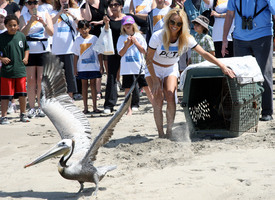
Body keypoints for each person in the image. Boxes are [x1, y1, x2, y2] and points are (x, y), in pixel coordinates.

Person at [146, 8, 235, 138]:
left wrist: (222, 65)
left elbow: (204, 53)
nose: (174, 26)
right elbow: (148, 59)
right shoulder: (158, 36)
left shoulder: (186, 37)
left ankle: (169, 130)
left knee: (171, 97)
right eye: (172, 22)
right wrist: (155, 81)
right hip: (153, 67)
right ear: (167, 21)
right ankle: (160, 133)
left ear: (183, 25)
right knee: (158, 99)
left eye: (179, 24)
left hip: (170, 67)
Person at [222, 0, 275, 121]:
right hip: (239, 39)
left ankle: (267, 111)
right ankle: (247, 112)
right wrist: (224, 39)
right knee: (242, 76)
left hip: (263, 36)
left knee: (264, 74)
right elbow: (229, 15)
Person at [19, 0, 53, 118]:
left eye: (34, 2)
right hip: (30, 51)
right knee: (31, 80)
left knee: (41, 80)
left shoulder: (45, 14)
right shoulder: (23, 17)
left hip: (43, 50)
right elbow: (22, 34)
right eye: (30, 3)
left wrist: (43, 23)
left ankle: (41, 107)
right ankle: (32, 107)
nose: (32, 5)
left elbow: (51, 32)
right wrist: (30, 23)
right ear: (26, 5)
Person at [117, 15, 151, 115]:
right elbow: (121, 53)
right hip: (127, 68)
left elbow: (144, 51)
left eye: (129, 24)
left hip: (139, 67)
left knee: (146, 86)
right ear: (123, 26)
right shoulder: (121, 38)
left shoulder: (139, 36)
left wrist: (135, 42)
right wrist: (127, 44)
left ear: (133, 25)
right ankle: (128, 109)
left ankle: (154, 104)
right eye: (125, 24)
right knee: (127, 89)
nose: (127, 26)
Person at [0, 14, 30, 124]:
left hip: (20, 69)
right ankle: (3, 116)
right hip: (6, 71)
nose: (13, 27)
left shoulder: (21, 36)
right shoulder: (2, 37)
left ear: (18, 25)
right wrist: (2, 58)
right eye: (10, 25)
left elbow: (26, 48)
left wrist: (26, 57)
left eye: (15, 25)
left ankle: (23, 114)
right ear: (6, 26)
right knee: (5, 96)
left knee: (22, 94)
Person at [51, 0, 81, 99]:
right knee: (59, 76)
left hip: (70, 48)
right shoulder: (53, 12)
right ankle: (60, 97)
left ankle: (70, 96)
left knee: (70, 75)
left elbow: (81, 24)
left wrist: (71, 14)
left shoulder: (75, 10)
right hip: (57, 49)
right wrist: (60, 12)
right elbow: (51, 23)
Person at [81, 0, 110, 101]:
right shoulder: (84, 5)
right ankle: (98, 91)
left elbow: (110, 17)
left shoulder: (104, 3)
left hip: (105, 34)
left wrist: (99, 22)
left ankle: (111, 86)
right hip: (92, 36)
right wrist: (87, 3)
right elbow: (88, 18)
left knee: (107, 63)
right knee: (97, 65)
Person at [72, 20, 103, 114]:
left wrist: (101, 66)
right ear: (78, 29)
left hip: (93, 66)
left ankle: (95, 107)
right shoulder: (77, 40)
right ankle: (85, 107)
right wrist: (75, 68)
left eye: (85, 28)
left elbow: (99, 53)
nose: (84, 31)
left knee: (93, 85)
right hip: (82, 67)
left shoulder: (94, 38)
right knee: (84, 86)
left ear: (89, 28)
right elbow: (76, 55)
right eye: (81, 29)